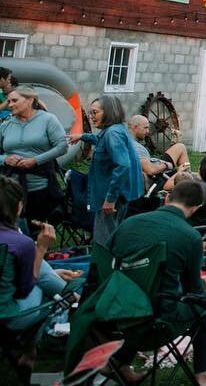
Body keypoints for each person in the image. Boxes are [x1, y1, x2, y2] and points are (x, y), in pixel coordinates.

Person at [109, 179, 206, 384]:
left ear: (168, 198)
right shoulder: (190, 236)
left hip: (115, 310)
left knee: (143, 295)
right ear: (197, 208)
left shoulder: (128, 223)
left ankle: (119, 363)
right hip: (158, 319)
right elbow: (193, 291)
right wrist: (203, 284)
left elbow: (108, 262)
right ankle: (203, 375)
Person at [0, 177, 83, 364]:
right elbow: (25, 288)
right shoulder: (20, 243)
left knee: (45, 278)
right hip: (9, 317)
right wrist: (41, 248)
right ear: (17, 206)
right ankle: (31, 354)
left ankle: (28, 352)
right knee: (54, 296)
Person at [72, 95, 144, 248]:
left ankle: (104, 269)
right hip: (118, 195)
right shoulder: (114, 130)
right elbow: (101, 141)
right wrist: (83, 136)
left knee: (104, 242)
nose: (91, 117)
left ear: (108, 112)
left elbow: (123, 165)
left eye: (95, 113)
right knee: (112, 238)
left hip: (113, 197)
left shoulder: (113, 134)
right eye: (90, 113)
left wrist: (110, 199)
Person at [0, 85, 68, 224]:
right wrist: (5, 159)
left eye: (14, 100)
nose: (10, 105)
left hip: (39, 187)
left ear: (30, 100)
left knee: (36, 229)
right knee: (10, 228)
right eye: (8, 101)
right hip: (9, 188)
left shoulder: (48, 120)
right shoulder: (6, 125)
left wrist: (36, 160)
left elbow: (62, 146)